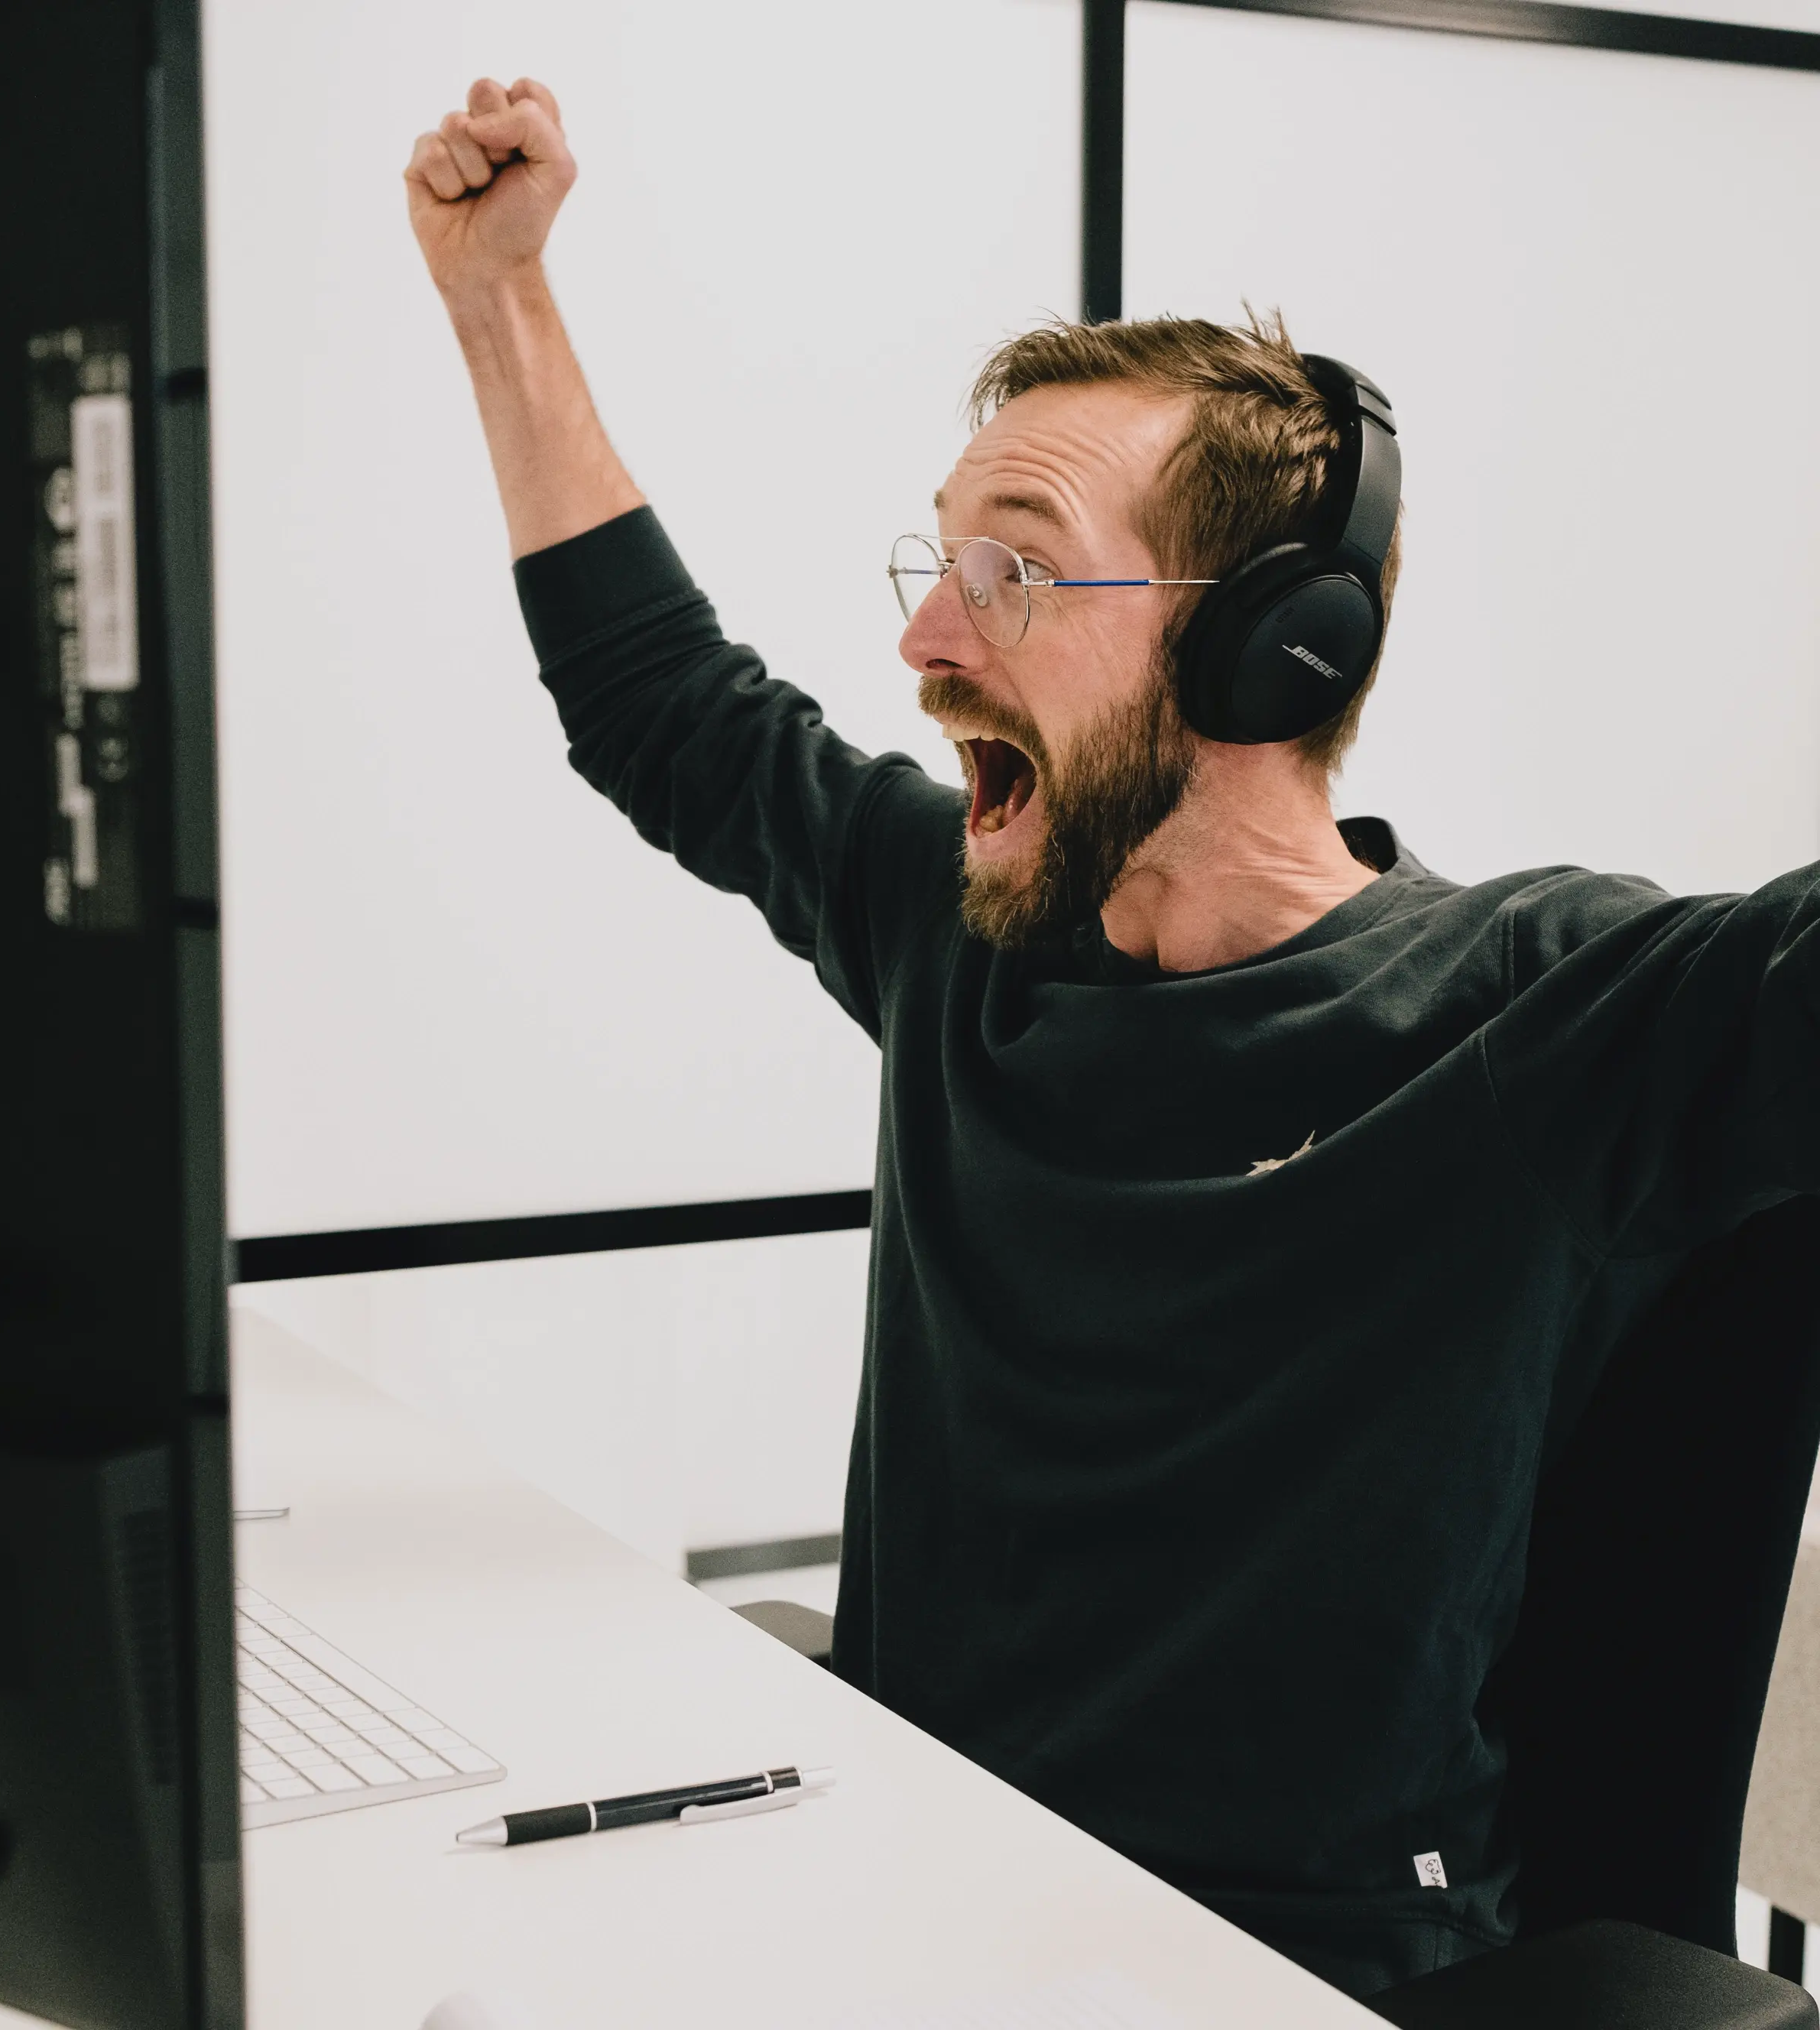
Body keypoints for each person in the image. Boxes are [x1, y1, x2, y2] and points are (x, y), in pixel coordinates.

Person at [403, 78, 1820, 1999]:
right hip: (911, 1873)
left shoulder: (1535, 1012)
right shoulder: (959, 932)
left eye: (1015, 565)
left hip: (1282, 1969)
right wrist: (498, 298)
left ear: (1273, 650)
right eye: (937, 566)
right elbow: (666, 706)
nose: (924, 643)